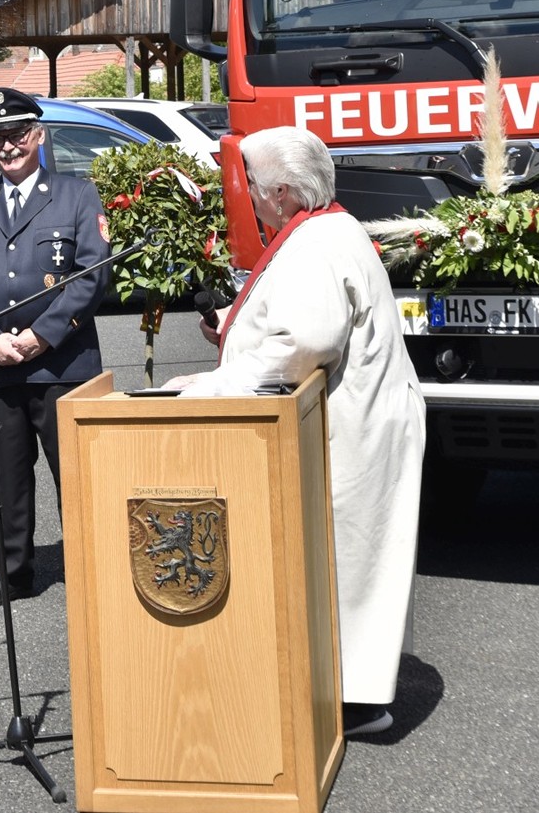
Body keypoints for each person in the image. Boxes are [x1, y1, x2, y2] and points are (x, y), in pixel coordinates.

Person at [164, 125, 425, 739]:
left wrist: (206, 386)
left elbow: (302, 343)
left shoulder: (318, 242)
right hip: (355, 417)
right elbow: (297, 317)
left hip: (356, 426)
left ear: (281, 192)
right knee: (346, 559)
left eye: (252, 184)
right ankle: (343, 688)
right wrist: (231, 323)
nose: (248, 195)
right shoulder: (322, 230)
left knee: (352, 559)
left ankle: (355, 701)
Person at [0, 87, 109, 610]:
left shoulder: (77, 195)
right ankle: (11, 574)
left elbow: (92, 274)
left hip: (62, 366)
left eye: (16, 135)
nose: (7, 146)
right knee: (7, 481)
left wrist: (42, 335)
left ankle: (91, 569)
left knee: (76, 480)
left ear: (38, 136)